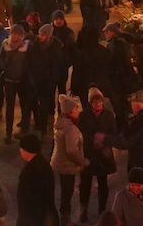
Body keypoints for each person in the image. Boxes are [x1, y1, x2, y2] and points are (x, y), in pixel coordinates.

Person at [78, 87, 116, 220]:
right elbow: (81, 134)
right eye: (95, 102)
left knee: (103, 183)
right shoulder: (83, 116)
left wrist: (104, 141)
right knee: (85, 184)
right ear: (90, 102)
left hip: (103, 155)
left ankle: (102, 210)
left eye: (100, 101)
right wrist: (92, 140)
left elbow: (113, 133)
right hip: (88, 154)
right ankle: (83, 211)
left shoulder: (108, 115)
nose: (98, 104)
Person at [50, 95, 88, 225]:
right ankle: (66, 219)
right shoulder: (70, 128)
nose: (78, 111)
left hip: (60, 163)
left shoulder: (62, 124)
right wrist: (82, 161)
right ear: (70, 111)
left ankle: (64, 216)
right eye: (76, 109)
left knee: (65, 192)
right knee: (67, 192)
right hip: (67, 165)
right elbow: (72, 151)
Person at [0, 24, 33, 144]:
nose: (15, 36)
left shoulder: (27, 45)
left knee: (25, 105)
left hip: (23, 81)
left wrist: (26, 72)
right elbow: (1, 57)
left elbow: (31, 61)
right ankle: (8, 132)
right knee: (9, 106)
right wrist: (4, 67)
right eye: (13, 33)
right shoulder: (5, 44)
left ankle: (24, 129)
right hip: (9, 80)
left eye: (17, 34)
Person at [16, 134, 59, 226]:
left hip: (35, 218)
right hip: (45, 216)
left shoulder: (32, 170)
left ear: (26, 151)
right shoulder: (42, 164)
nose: (20, 150)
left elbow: (29, 199)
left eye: (21, 148)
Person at [30, 24, 63, 136]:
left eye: (42, 34)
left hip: (47, 81)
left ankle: (43, 129)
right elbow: (30, 62)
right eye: (39, 34)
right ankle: (39, 124)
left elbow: (55, 67)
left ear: (48, 36)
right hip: (35, 80)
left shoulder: (55, 48)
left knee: (45, 104)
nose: (40, 36)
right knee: (36, 104)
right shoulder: (35, 45)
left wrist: (50, 81)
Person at [104, 23, 138, 130]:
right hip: (122, 79)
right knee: (123, 105)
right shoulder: (119, 43)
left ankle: (122, 128)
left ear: (112, 32)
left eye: (106, 32)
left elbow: (117, 63)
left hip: (118, 80)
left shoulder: (116, 44)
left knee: (120, 105)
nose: (105, 34)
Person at [71, 27, 112, 110]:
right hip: (101, 84)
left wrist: (74, 87)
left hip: (84, 86)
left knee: (87, 109)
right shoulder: (104, 52)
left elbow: (77, 72)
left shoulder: (80, 53)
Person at [51, 11, 76, 100]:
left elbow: (73, 49)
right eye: (57, 19)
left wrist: (68, 62)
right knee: (51, 90)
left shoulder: (69, 32)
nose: (59, 21)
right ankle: (51, 112)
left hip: (63, 66)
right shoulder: (49, 32)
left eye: (61, 19)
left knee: (62, 90)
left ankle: (63, 111)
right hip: (51, 66)